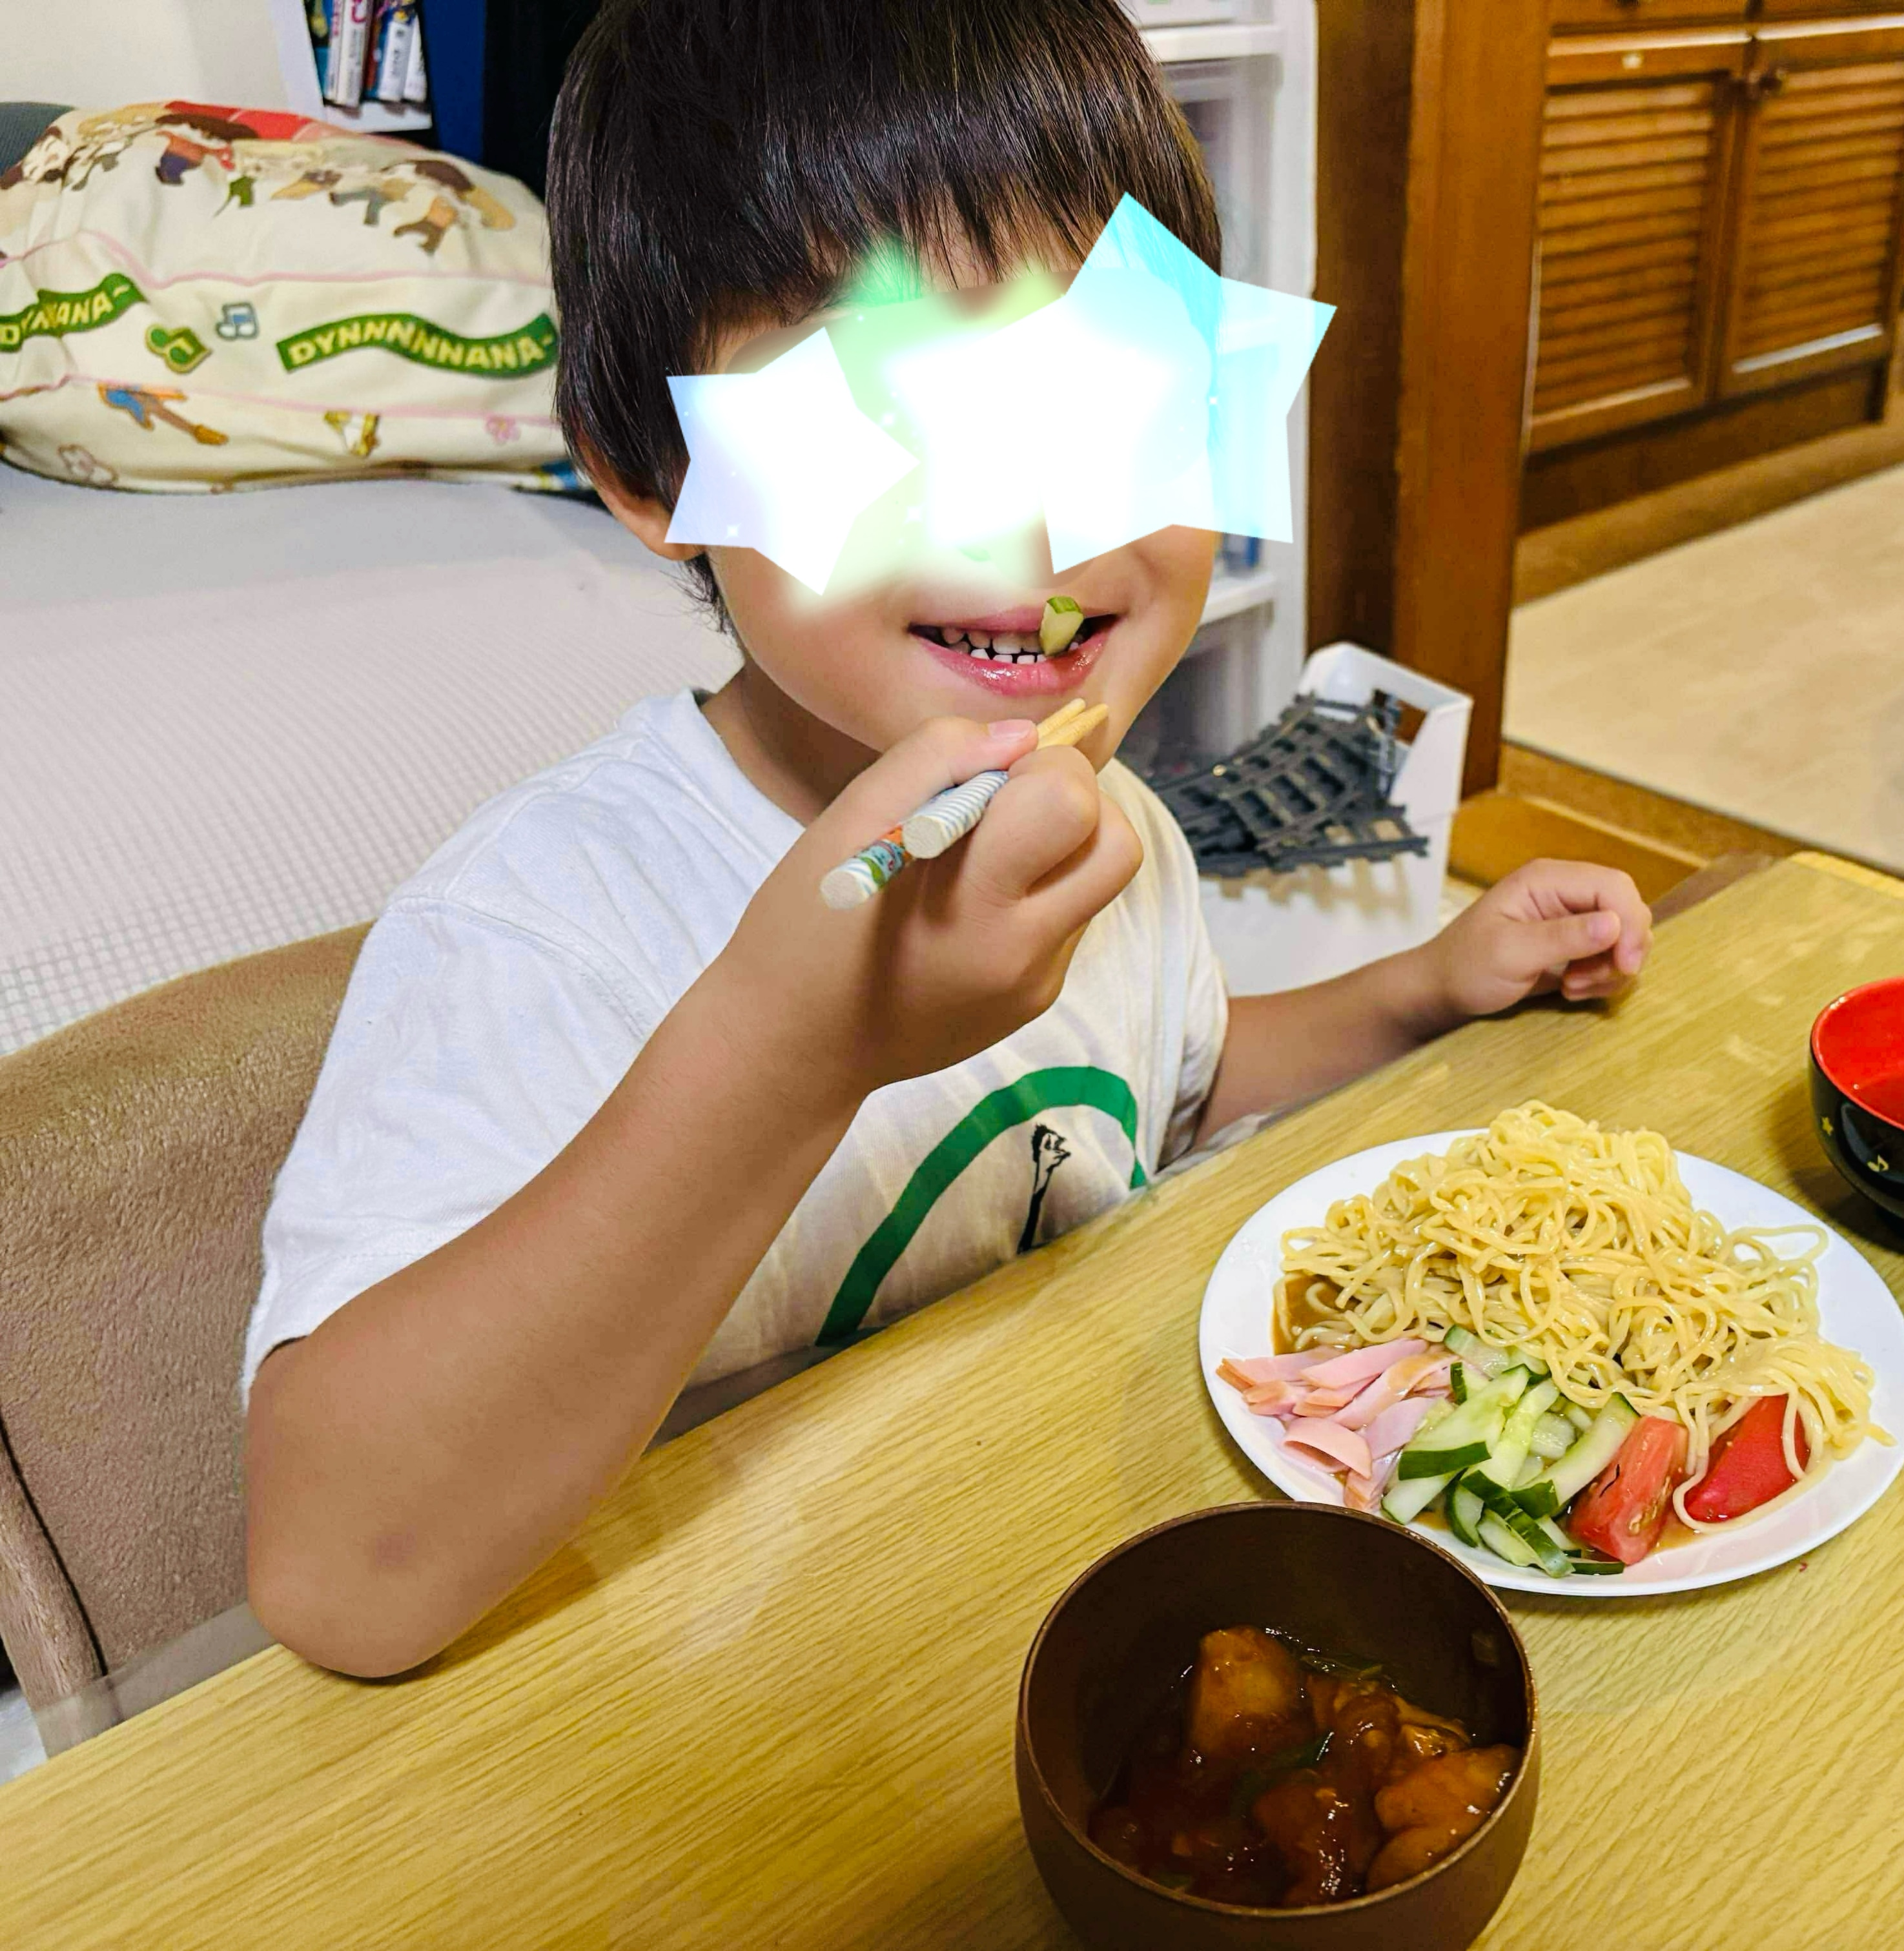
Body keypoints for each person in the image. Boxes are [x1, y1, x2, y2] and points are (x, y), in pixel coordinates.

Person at [242, 0, 1653, 1679]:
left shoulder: (1107, 817)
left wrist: (1420, 988)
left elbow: (1166, 1090)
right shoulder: (544, 926)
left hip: (1056, 1610)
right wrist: (792, 1047)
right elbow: (340, 1573)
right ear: (652, 467)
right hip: (714, 1708)